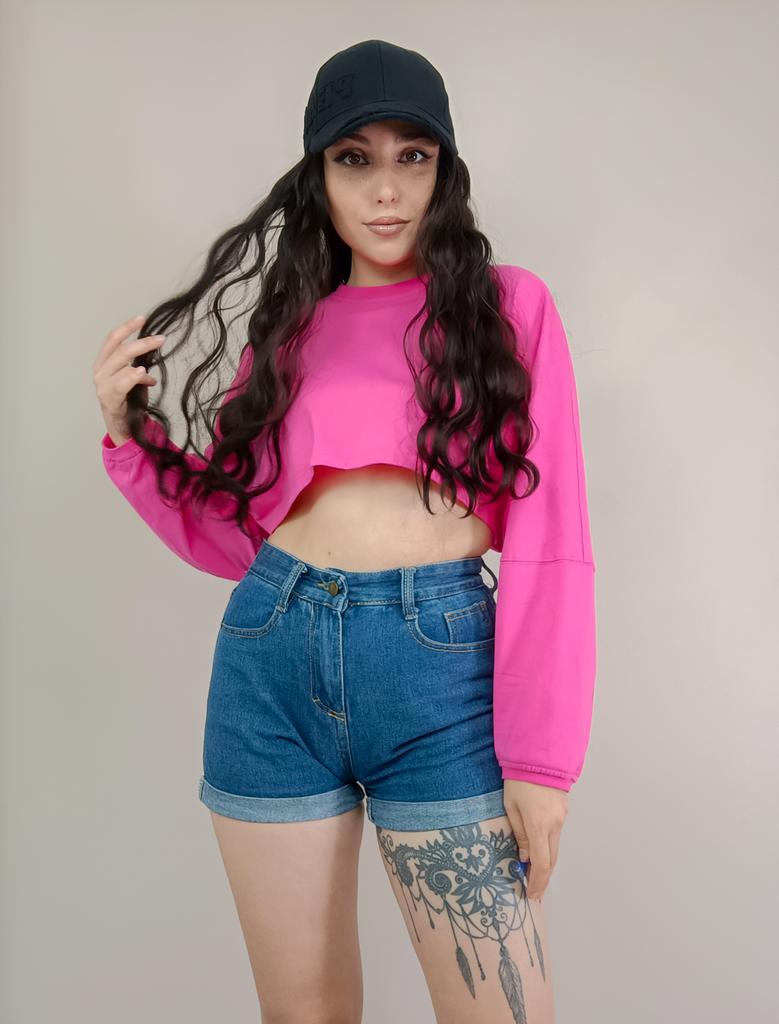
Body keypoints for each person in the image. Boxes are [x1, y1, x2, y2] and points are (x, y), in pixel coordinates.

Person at [92, 39, 596, 1024]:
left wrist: (541, 760)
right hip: (269, 662)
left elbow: (552, 535)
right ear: (317, 176)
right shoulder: (291, 329)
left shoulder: (509, 307)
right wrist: (128, 437)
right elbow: (233, 536)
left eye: (413, 156)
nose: (385, 189)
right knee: (304, 1013)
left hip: (437, 673)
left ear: (444, 171)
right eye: (353, 159)